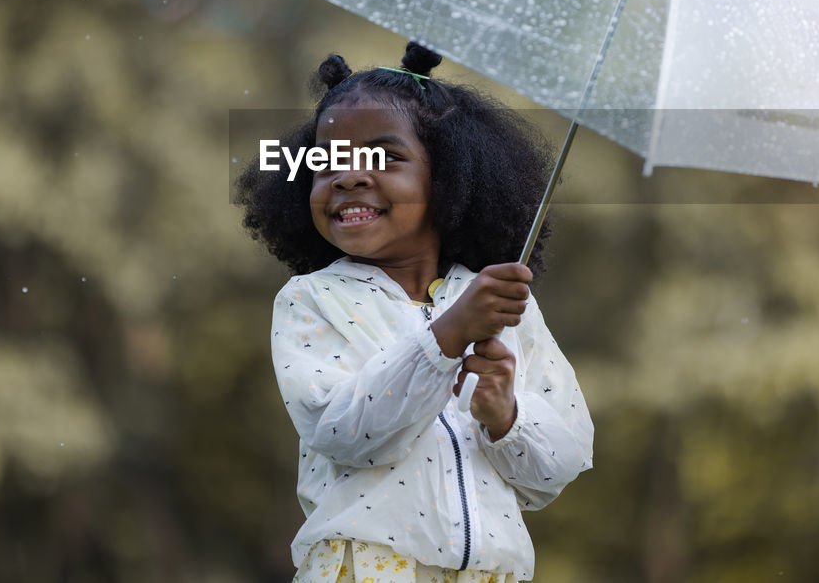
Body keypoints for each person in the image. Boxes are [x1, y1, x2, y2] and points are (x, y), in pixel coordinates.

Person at [236, 41, 594, 583]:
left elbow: (555, 472)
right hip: (368, 568)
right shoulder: (310, 300)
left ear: (448, 179)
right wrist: (447, 336)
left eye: (386, 156)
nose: (349, 176)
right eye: (325, 161)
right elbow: (347, 434)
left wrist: (506, 417)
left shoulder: (502, 303)